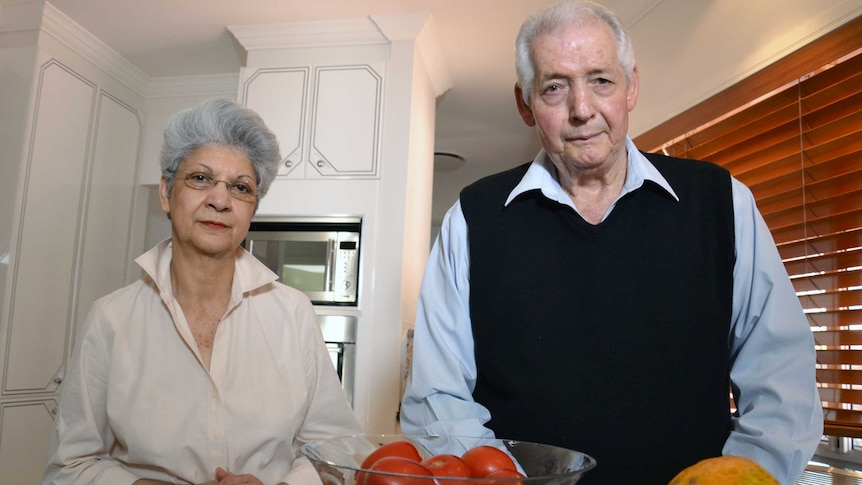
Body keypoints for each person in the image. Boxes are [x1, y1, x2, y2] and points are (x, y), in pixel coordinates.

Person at [399, 1, 823, 484]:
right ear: (525, 104)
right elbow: (438, 399)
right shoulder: (470, 220)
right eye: (555, 87)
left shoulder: (723, 201)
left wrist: (743, 477)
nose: (582, 110)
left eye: (601, 80)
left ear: (631, 87)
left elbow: (782, 376)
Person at [43, 98, 362, 485]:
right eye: (199, 178)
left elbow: (339, 450)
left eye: (241, 187)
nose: (220, 199)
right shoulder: (111, 319)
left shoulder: (293, 314)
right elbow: (69, 466)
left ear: (251, 210)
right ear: (165, 193)